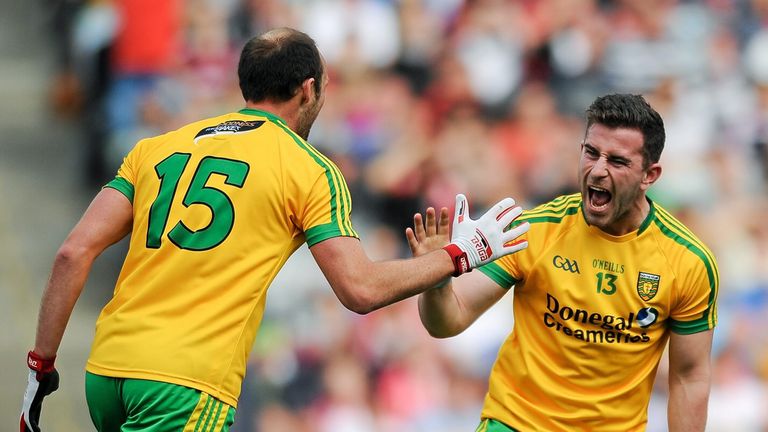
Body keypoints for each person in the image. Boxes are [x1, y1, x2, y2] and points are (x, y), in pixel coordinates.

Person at [20, 27, 531, 432]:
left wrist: (40, 365)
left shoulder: (158, 147)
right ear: (309, 89)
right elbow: (360, 289)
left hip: (107, 373)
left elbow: (73, 252)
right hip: (184, 384)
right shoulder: (309, 168)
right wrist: (463, 254)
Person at [407, 94, 719, 432]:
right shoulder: (532, 230)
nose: (597, 170)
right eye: (591, 153)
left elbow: (689, 379)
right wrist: (437, 277)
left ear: (650, 175)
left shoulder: (688, 262)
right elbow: (446, 322)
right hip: (516, 423)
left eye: (616, 161)